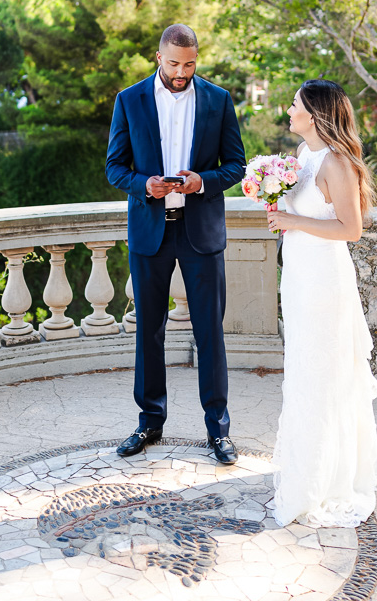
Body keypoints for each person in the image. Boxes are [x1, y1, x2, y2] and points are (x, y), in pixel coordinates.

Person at [105, 24, 246, 464]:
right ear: (158, 58)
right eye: (173, 64)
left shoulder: (219, 100)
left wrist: (203, 180)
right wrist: (144, 185)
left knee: (210, 333)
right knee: (148, 332)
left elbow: (236, 165)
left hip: (200, 231)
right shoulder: (129, 100)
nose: (181, 72)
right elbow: (114, 168)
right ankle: (149, 422)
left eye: (189, 64)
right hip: (151, 231)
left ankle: (218, 430)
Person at [266, 79, 377, 527]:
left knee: (323, 374)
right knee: (302, 370)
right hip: (298, 275)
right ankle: (303, 471)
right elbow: (303, 214)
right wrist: (279, 211)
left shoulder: (336, 163)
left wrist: (293, 218)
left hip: (324, 282)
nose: (287, 108)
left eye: (293, 104)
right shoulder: (302, 156)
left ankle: (323, 482)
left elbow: (350, 230)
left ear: (313, 115)